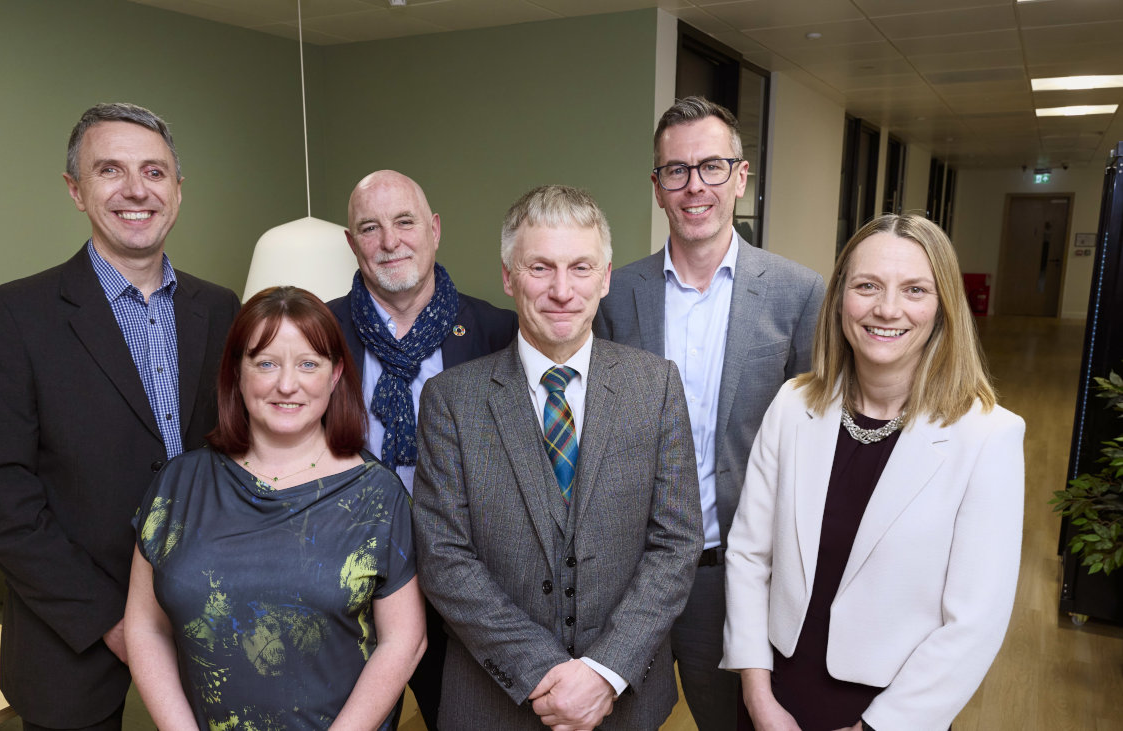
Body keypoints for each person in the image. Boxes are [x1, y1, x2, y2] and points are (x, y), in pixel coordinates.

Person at [0, 102, 240, 730]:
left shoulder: (220, 308)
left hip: (210, 620)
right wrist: (115, 624)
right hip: (73, 635)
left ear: (177, 189)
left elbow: (236, 456)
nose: (136, 190)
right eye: (110, 170)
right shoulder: (13, 316)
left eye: (154, 172)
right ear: (76, 191)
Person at [412, 185, 703, 730]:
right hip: (493, 702)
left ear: (606, 276)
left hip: (624, 703)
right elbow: (445, 559)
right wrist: (543, 673)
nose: (562, 290)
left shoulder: (655, 386)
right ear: (508, 276)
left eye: (581, 267)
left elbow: (676, 542)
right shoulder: (452, 400)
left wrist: (604, 671)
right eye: (540, 268)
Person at [721, 214, 1025, 731]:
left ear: (943, 306)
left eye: (915, 290)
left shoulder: (987, 436)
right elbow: (750, 556)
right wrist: (757, 696)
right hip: (775, 694)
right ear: (841, 297)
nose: (887, 309)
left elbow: (973, 624)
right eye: (867, 286)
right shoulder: (794, 405)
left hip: (894, 711)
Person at [593, 96, 824, 731]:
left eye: (712, 167)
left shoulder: (797, 293)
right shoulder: (616, 296)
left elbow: (815, 442)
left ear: (741, 177)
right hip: (627, 572)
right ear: (658, 187)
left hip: (731, 575)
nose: (695, 186)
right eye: (677, 171)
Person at [125, 286, 427, 730]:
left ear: (336, 373)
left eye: (309, 364)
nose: (287, 384)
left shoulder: (378, 495)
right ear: (237, 373)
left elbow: (406, 640)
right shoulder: (179, 483)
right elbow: (145, 628)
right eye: (266, 363)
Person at [327, 169, 517, 727]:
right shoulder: (318, 331)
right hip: (348, 585)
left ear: (434, 229)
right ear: (350, 242)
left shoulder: (496, 334)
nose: (390, 242)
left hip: (461, 589)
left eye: (405, 222)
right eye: (370, 228)